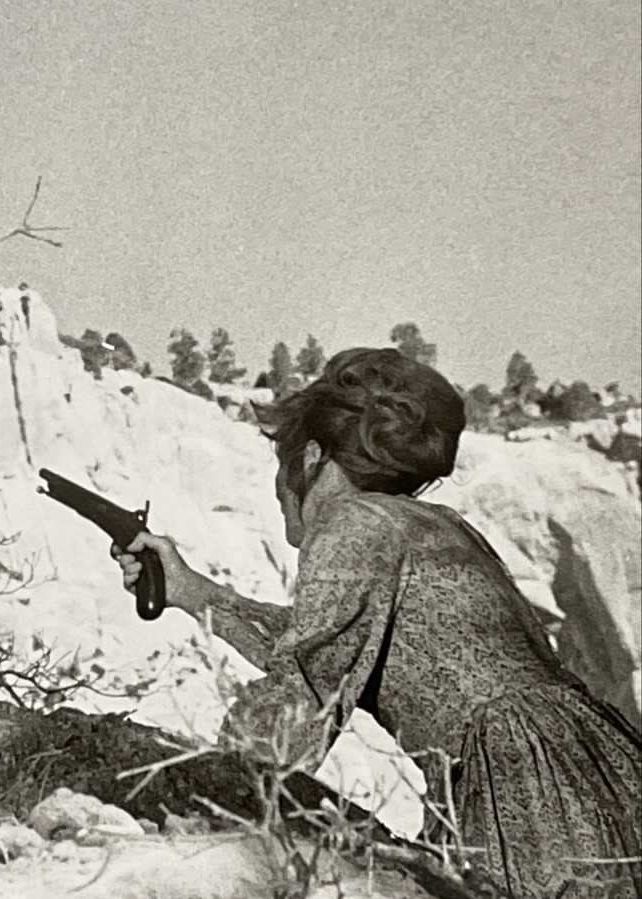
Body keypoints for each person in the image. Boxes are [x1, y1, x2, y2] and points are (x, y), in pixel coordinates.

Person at [116, 348, 641, 898]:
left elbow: (305, 688)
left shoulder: (350, 522)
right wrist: (192, 592)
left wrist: (209, 797)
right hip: (600, 767)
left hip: (523, 786)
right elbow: (330, 644)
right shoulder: (432, 523)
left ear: (310, 458)